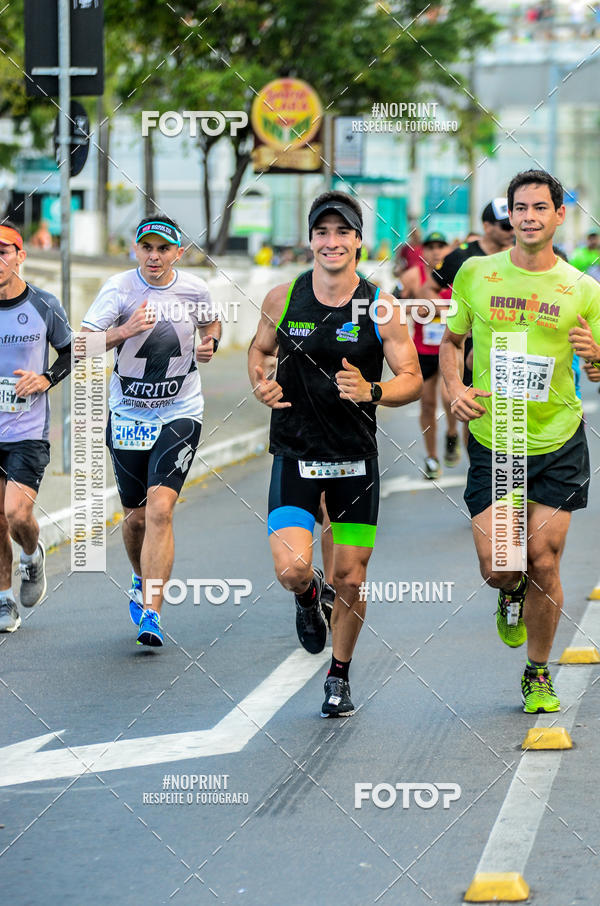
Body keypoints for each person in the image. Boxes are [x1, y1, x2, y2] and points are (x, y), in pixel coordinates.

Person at [248, 190, 422, 717]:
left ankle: (339, 675)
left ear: (357, 241)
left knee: (352, 577)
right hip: (296, 452)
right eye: (322, 232)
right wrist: (261, 383)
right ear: (310, 240)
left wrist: (372, 391)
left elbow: (412, 379)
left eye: (342, 232)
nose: (331, 242)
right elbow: (260, 351)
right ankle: (308, 597)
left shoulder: (379, 304)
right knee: (292, 569)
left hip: (354, 462)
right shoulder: (283, 298)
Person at [440, 169, 600, 713]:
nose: (528, 216)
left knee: (545, 559)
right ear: (509, 215)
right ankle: (510, 591)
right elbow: (451, 340)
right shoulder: (477, 273)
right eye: (519, 207)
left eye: (539, 207)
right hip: (497, 435)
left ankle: (537, 673)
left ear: (559, 215)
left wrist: (594, 354)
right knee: (503, 565)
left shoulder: (583, 290)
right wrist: (456, 386)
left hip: (557, 439)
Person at [81, 216, 220, 647]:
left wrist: (209, 344)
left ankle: (152, 613)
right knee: (137, 516)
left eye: (163, 249)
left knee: (161, 509)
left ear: (179, 252)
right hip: (127, 417)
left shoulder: (195, 289)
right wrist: (124, 330)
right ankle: (141, 582)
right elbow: (81, 344)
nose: (154, 256)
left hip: (180, 412)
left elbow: (212, 323)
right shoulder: (119, 288)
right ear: (136, 250)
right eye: (147, 248)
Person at [0, 223, 72, 633]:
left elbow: (71, 351)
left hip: (27, 431)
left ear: (20, 255)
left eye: (3, 251)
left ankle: (32, 555)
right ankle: (5, 601)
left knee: (15, 514)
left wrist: (45, 379)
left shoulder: (44, 304)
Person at [399, 231, 460, 478]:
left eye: (441, 246)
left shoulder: (458, 273)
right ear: (423, 250)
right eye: (431, 246)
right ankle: (432, 457)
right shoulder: (413, 276)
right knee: (427, 403)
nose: (436, 251)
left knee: (450, 398)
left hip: (451, 346)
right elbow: (398, 309)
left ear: (448, 249)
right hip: (423, 348)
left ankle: (452, 433)